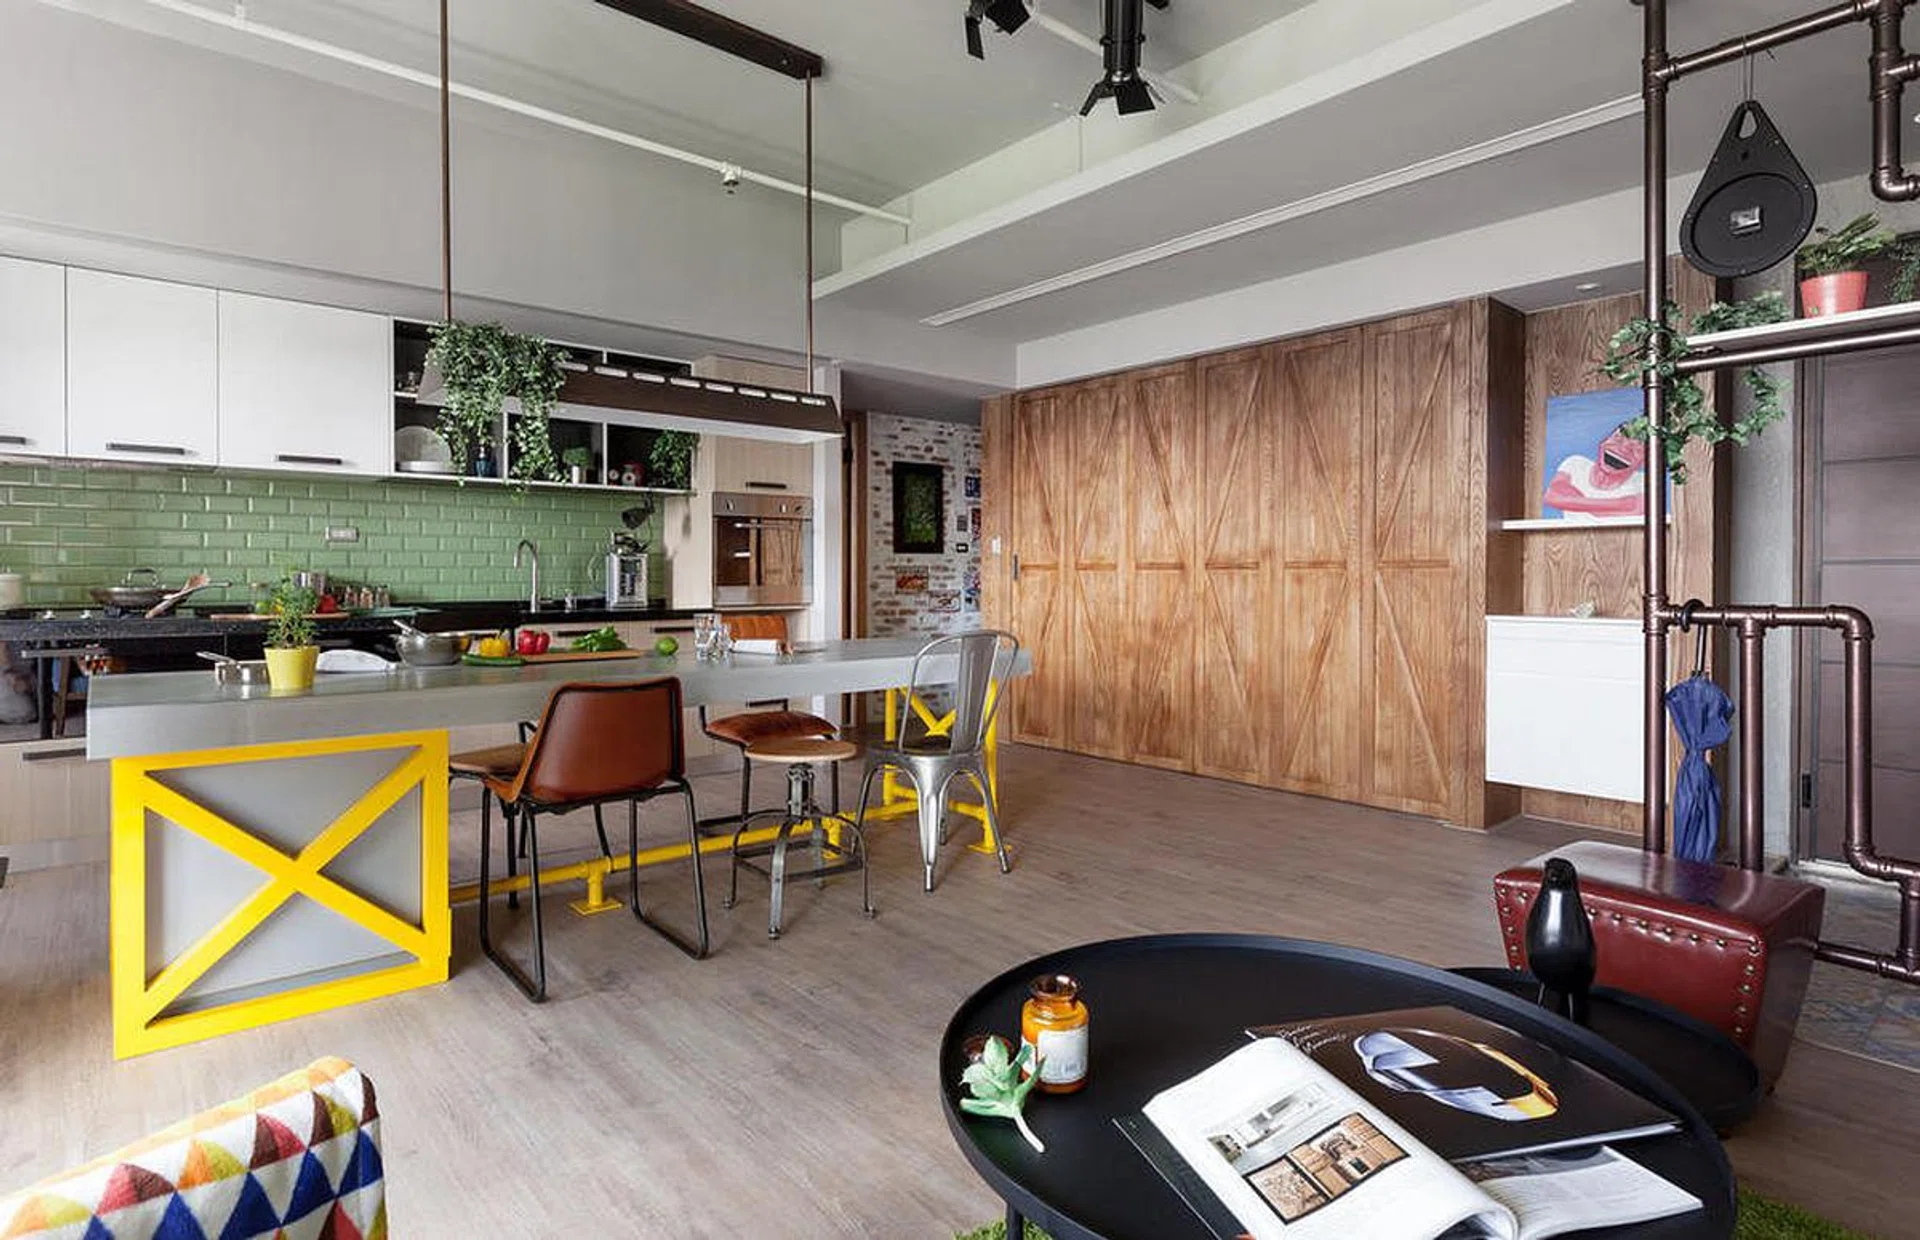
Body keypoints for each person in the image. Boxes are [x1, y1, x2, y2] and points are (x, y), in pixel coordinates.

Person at [1542, 422, 1648, 519]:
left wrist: (1573, 502)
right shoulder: (1576, 464)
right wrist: (1620, 505)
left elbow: (1638, 507)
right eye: (1618, 439)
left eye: (1637, 449)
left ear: (1644, 461)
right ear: (1604, 441)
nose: (1623, 449)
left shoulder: (1642, 481)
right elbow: (1552, 496)